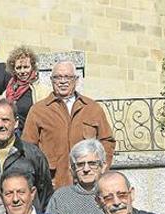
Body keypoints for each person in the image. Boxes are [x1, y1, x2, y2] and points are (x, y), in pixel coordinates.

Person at [22, 60, 115, 188]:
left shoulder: (92, 108)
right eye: (58, 77)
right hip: (54, 184)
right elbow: (28, 148)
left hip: (89, 184)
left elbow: (107, 141)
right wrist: (40, 177)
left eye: (68, 77)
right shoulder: (38, 110)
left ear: (76, 80)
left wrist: (102, 169)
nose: (63, 81)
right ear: (51, 80)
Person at [0, 99, 54, 211]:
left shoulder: (32, 154)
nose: (0, 125)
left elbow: (45, 195)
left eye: (5, 120)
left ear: (16, 122)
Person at [45, 138, 108, 214]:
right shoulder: (60, 197)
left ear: (103, 167)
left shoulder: (111, 195)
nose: (86, 169)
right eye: (80, 164)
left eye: (92, 163)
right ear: (72, 170)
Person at [4, 46, 43, 127]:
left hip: (31, 135)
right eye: (18, 68)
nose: (22, 71)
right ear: (13, 69)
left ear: (32, 67)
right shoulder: (9, 88)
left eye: (26, 67)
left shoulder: (40, 90)